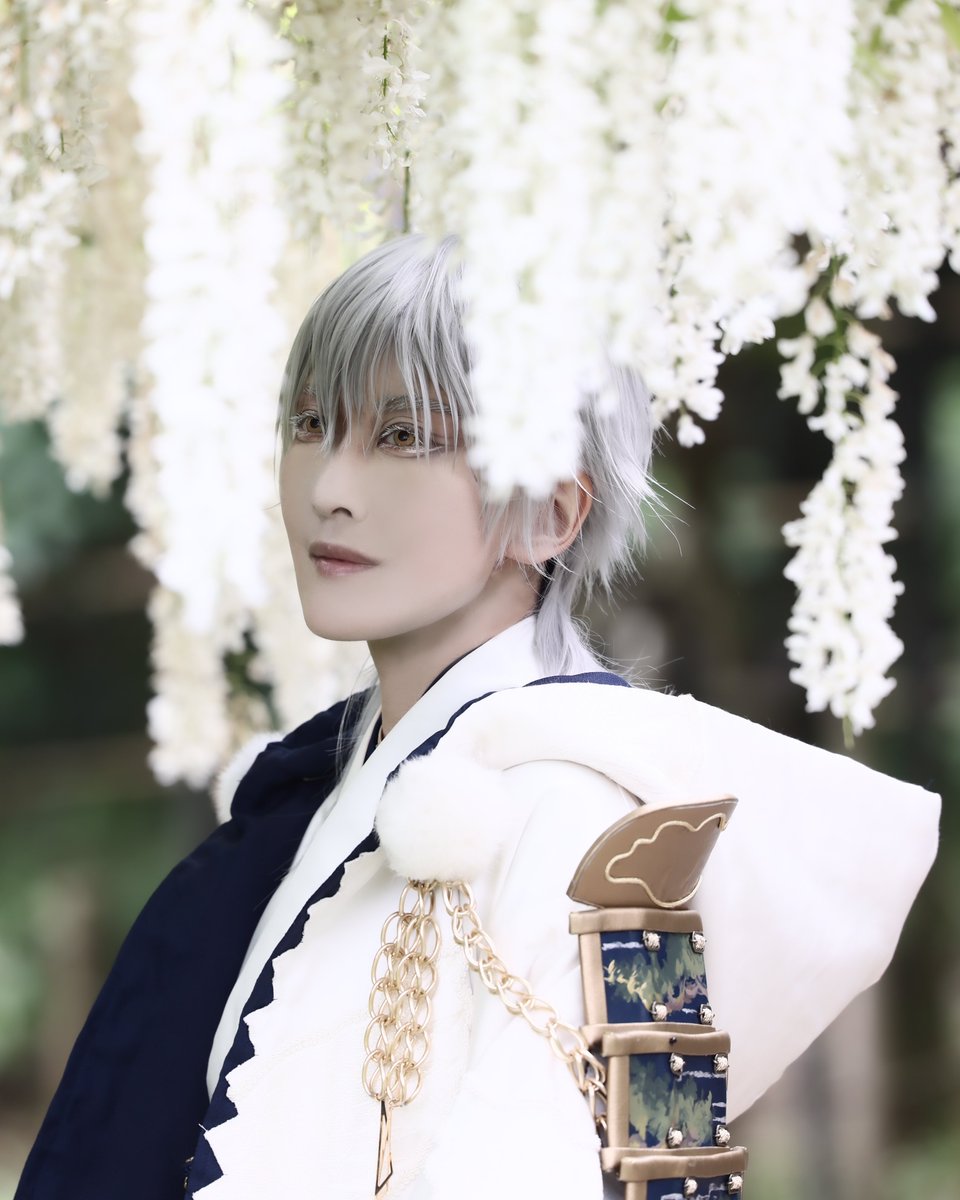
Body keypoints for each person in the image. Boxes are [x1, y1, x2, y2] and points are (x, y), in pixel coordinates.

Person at [15, 235, 939, 1200]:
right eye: (312, 423)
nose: (328, 489)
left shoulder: (593, 823)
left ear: (549, 515)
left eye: (403, 437)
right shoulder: (321, 794)